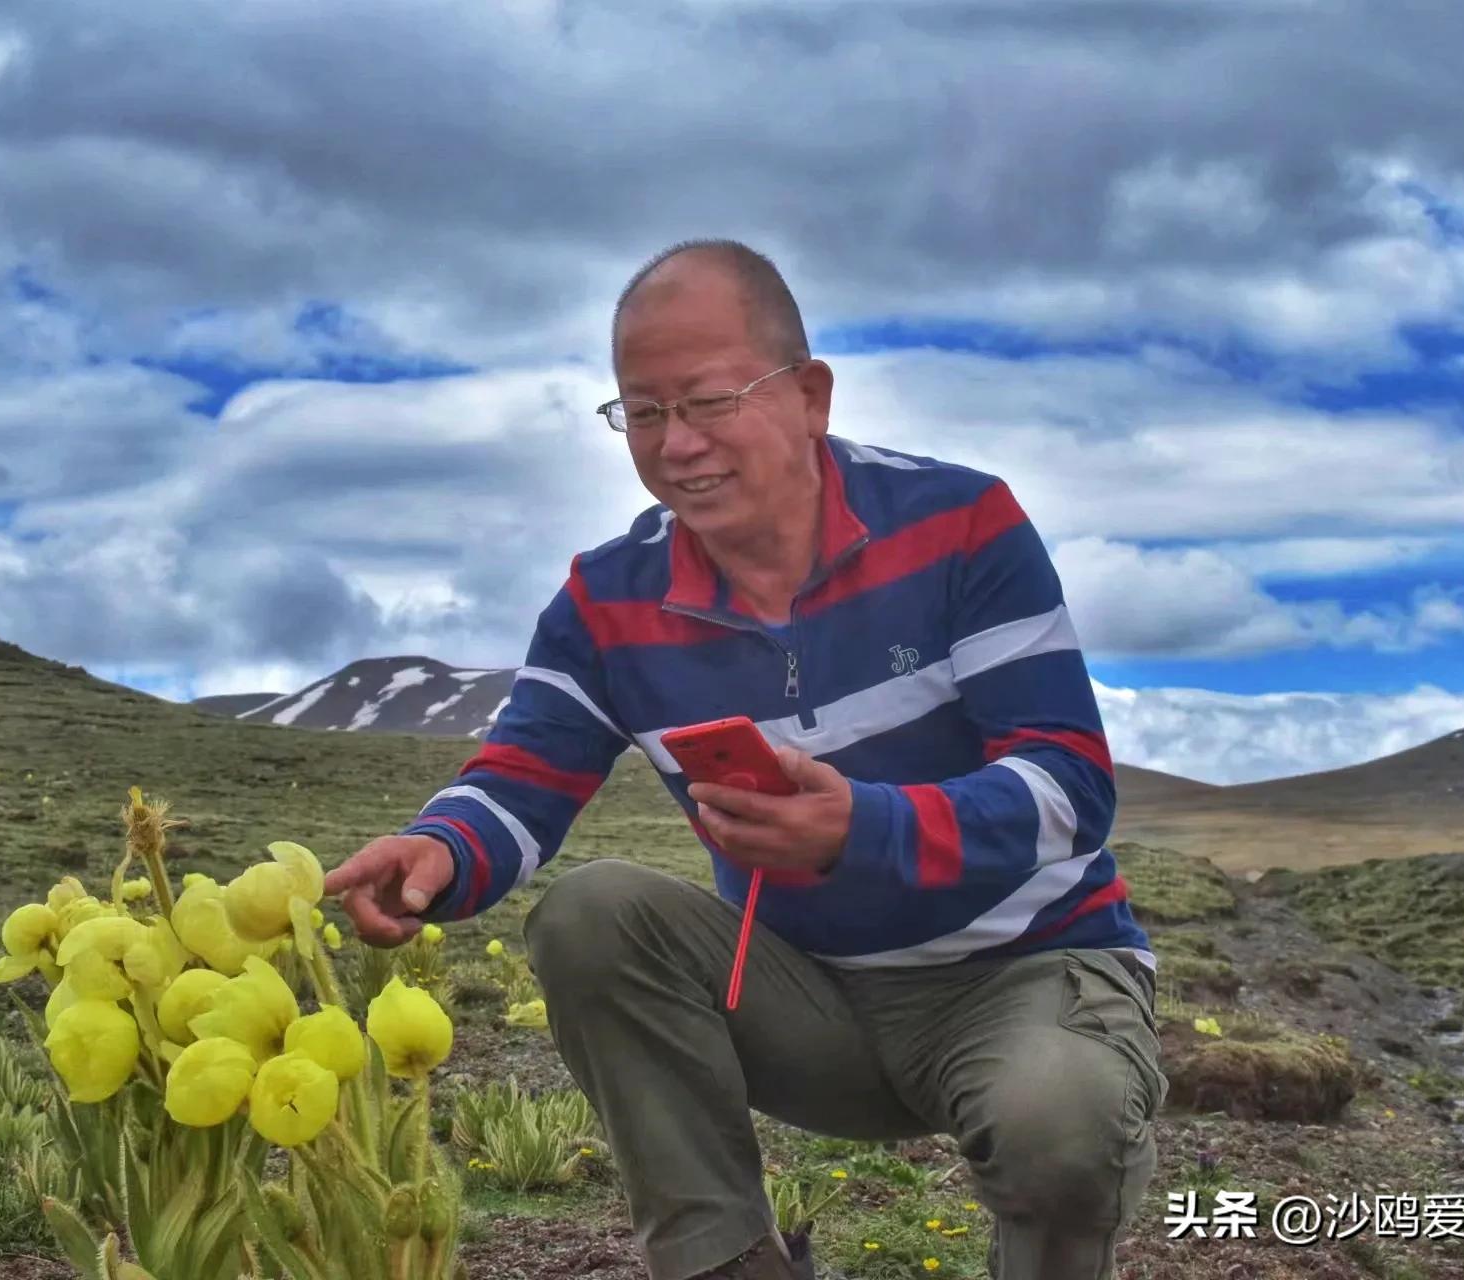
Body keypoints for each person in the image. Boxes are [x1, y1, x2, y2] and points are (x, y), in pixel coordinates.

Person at [321, 239, 1166, 1280]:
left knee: (1059, 1119)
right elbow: (521, 773)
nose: (677, 444)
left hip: (1024, 971)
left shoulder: (961, 526)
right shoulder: (608, 601)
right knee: (594, 914)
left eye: (710, 401)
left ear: (809, 395)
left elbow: (1069, 783)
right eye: (642, 411)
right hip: (806, 996)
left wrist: (865, 826)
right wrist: (440, 848)